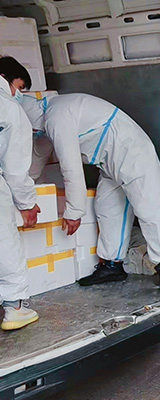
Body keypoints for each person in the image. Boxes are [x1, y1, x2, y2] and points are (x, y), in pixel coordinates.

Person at [19, 91, 160, 295]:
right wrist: (20, 193)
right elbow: (36, 159)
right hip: (109, 160)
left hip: (132, 150)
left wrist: (74, 212)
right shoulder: (45, 124)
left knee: (150, 206)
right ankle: (112, 266)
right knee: (107, 207)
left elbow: (71, 168)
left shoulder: (56, 116)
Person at [0, 57, 41, 331]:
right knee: (5, 241)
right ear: (7, 78)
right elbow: (15, 169)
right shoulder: (10, 109)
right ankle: (15, 307)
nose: (20, 93)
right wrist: (28, 203)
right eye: (21, 86)